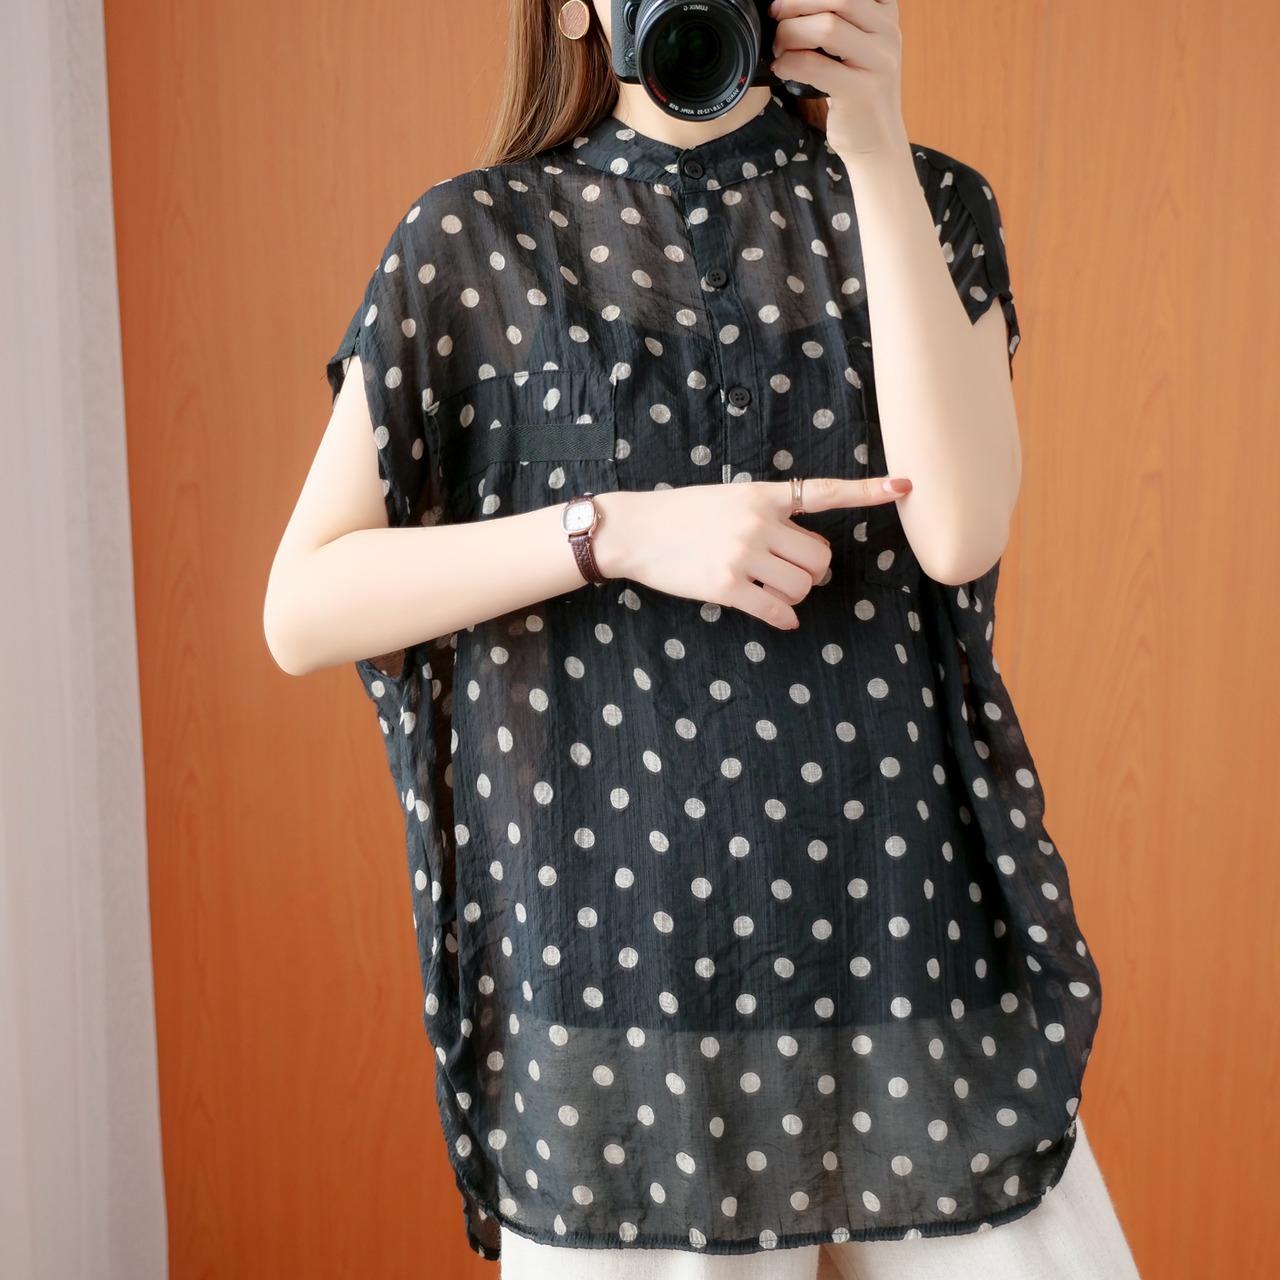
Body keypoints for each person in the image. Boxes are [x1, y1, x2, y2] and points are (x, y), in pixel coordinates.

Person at [263, 1, 1143, 1276]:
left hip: (914, 958)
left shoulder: (927, 201)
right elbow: (302, 605)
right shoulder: (471, 240)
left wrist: (872, 135)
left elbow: (957, 530)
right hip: (621, 1014)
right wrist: (610, 531)